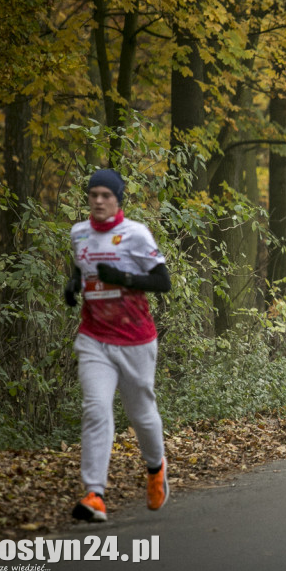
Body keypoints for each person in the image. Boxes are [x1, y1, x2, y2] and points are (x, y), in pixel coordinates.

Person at [63, 169, 171, 522]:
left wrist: (123, 278)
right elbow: (81, 269)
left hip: (135, 339)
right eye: (93, 194)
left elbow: (162, 281)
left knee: (141, 414)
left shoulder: (135, 234)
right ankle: (94, 494)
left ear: (118, 199)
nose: (97, 201)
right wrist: (73, 284)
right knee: (95, 408)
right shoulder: (78, 233)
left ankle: (155, 470)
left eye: (105, 195)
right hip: (94, 338)